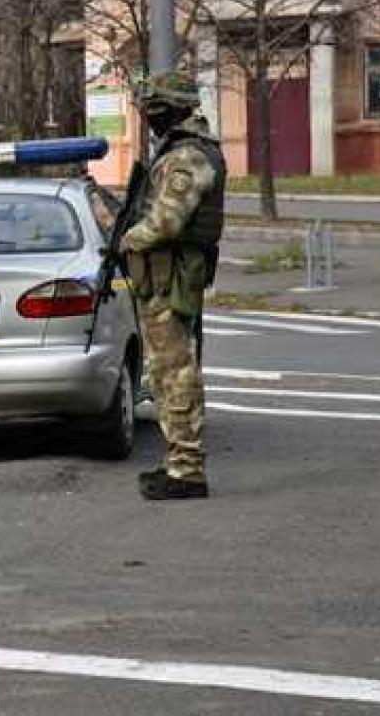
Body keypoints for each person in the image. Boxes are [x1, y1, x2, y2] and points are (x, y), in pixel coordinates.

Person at [119, 70, 227, 501]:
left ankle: (187, 471)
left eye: (154, 110)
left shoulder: (187, 157)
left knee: (176, 373)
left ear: (174, 110)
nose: (149, 118)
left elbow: (166, 222)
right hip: (165, 278)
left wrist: (126, 241)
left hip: (173, 278)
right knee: (165, 373)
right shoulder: (182, 151)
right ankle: (178, 463)